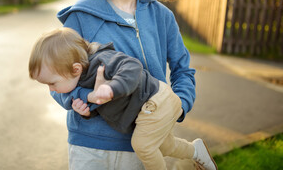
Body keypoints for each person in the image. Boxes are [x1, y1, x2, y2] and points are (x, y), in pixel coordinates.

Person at [50, 0, 198, 169]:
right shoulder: (80, 16)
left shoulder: (163, 17)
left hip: (144, 147)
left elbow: (183, 70)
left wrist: (178, 105)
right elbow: (55, 77)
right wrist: (78, 98)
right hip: (90, 147)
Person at [29, 27, 218, 170]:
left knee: (142, 146)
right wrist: (86, 111)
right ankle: (195, 150)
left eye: (52, 83)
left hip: (157, 100)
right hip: (149, 110)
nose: (51, 89)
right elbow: (104, 108)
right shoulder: (80, 79)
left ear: (75, 69)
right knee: (165, 146)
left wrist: (112, 88)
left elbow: (132, 68)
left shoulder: (103, 60)